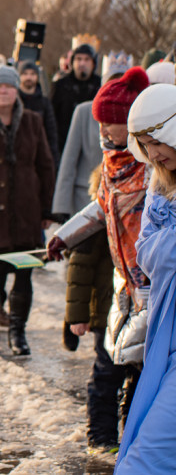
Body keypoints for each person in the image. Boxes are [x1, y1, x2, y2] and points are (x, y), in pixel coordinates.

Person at [48, 67, 151, 451]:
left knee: (141, 375)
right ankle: (101, 442)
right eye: (102, 122)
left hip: (152, 289)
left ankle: (135, 445)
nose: (106, 130)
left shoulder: (153, 169)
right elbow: (98, 210)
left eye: (115, 122)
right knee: (106, 371)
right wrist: (63, 235)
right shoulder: (109, 171)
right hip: (120, 291)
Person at [115, 83, 176, 472]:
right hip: (165, 335)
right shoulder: (159, 183)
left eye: (156, 140)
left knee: (144, 461)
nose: (152, 153)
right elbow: (147, 253)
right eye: (144, 143)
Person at [0, 64, 55, 356]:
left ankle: (18, 334)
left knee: (24, 276)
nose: (4, 90)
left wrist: (47, 208)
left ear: (17, 89)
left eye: (9, 85)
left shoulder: (33, 120)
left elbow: (45, 165)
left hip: (26, 213)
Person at [52, 43, 101, 147]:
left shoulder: (101, 86)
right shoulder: (60, 85)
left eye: (87, 59)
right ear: (72, 62)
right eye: (78, 59)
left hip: (92, 143)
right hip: (64, 143)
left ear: (93, 63)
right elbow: (52, 117)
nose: (82, 63)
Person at [18, 60, 60, 167]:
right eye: (25, 74)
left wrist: (53, 160)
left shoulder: (44, 103)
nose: (29, 77)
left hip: (38, 155)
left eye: (32, 74)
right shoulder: (15, 101)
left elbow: (51, 133)